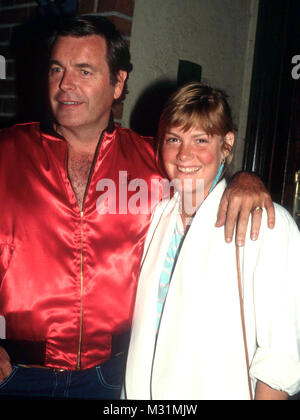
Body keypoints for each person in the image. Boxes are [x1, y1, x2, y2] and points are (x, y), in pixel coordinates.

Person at [0, 16, 274, 400]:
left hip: (117, 376)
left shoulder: (154, 160)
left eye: (84, 70)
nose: (65, 85)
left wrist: (247, 179)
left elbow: (205, 172)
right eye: (57, 69)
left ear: (118, 83)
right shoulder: (6, 152)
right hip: (17, 375)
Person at [123, 82, 300, 400]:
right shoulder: (156, 215)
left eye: (200, 140)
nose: (183, 154)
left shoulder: (267, 226)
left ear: (227, 144)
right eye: (173, 139)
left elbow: (281, 357)